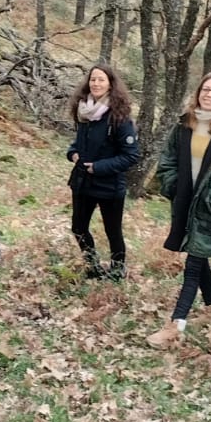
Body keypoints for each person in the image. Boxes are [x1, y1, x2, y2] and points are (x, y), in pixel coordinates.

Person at [147, 73, 211, 349]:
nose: (210, 94)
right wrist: (173, 185)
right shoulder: (185, 125)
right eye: (206, 89)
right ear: (199, 93)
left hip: (210, 210)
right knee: (198, 256)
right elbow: (167, 159)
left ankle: (175, 324)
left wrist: (208, 199)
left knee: (192, 264)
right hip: (184, 204)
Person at [65, 63, 140, 280]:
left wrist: (98, 167)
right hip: (82, 183)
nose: (96, 83)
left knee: (112, 231)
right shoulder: (83, 111)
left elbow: (131, 155)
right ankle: (93, 267)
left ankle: (117, 272)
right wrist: (73, 153)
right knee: (78, 228)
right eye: (93, 79)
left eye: (101, 80)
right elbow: (77, 143)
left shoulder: (119, 116)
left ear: (110, 85)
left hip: (109, 186)